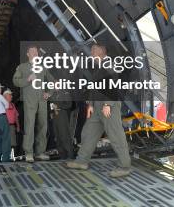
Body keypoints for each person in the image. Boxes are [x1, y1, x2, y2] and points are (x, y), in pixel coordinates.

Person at [66, 44, 131, 178]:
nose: (90, 54)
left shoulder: (110, 65)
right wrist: (90, 104)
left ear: (99, 52)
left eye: (92, 52)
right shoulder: (99, 67)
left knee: (116, 136)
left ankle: (124, 166)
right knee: (88, 133)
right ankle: (81, 161)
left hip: (109, 107)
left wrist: (108, 104)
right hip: (96, 107)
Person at [12, 44, 54, 162]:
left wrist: (49, 93)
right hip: (30, 101)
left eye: (36, 52)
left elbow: (52, 81)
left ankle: (40, 152)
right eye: (32, 52)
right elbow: (15, 81)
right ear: (28, 54)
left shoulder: (42, 68)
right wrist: (28, 79)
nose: (35, 54)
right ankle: (29, 153)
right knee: (29, 126)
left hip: (42, 101)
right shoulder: (22, 67)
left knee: (43, 126)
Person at [3, 89, 20, 157]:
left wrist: (18, 126)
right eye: (10, 95)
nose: (11, 96)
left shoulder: (12, 105)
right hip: (5, 126)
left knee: (12, 142)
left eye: (11, 95)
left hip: (12, 126)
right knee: (5, 142)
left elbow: (16, 116)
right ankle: (5, 156)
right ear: (5, 96)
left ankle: (10, 156)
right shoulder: (2, 105)